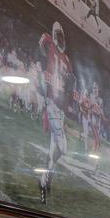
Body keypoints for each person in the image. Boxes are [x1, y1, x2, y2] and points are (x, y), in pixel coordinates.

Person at [36, 21, 72, 203]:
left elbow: (69, 82)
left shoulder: (67, 60)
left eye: (61, 35)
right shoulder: (50, 44)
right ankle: (44, 177)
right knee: (63, 148)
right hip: (52, 103)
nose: (60, 38)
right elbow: (42, 45)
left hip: (60, 107)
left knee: (52, 151)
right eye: (58, 34)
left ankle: (43, 180)